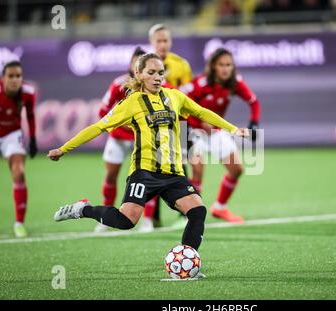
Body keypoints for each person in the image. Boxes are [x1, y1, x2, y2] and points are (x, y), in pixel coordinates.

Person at [48, 54, 248, 266]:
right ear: (139, 74)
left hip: (173, 174)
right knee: (126, 221)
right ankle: (82, 209)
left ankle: (187, 263)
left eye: (160, 73)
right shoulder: (132, 102)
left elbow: (201, 111)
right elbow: (99, 127)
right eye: (151, 72)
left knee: (197, 210)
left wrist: (232, 129)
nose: (157, 77)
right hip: (144, 173)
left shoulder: (175, 97)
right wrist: (64, 148)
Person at [181, 48, 261, 223]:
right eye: (221, 65)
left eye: (229, 65)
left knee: (237, 170)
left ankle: (220, 207)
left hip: (216, 132)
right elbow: (179, 102)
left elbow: (253, 102)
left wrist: (253, 123)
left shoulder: (235, 83)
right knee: (197, 170)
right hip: (194, 132)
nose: (226, 69)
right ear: (213, 67)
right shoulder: (199, 84)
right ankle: (192, 215)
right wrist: (198, 122)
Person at [141, 23, 194, 231]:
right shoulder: (143, 64)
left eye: (165, 40)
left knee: (179, 163)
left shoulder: (181, 65)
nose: (162, 44)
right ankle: (151, 217)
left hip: (177, 124)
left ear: (170, 42)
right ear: (151, 43)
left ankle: (184, 212)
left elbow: (187, 98)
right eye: (158, 41)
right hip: (152, 124)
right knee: (151, 166)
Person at [94, 47, 147, 233]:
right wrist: (123, 124)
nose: (138, 65)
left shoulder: (152, 86)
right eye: (136, 61)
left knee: (147, 179)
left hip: (141, 140)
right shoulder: (119, 83)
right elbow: (103, 111)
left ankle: (147, 220)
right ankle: (104, 218)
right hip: (118, 138)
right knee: (111, 175)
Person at [0, 61, 38, 237]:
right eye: (11, 76)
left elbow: (30, 115)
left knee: (19, 172)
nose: (15, 80)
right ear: (3, 78)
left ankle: (19, 223)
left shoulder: (28, 93)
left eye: (18, 76)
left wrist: (32, 139)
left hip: (12, 134)